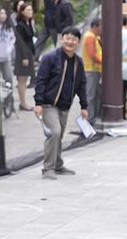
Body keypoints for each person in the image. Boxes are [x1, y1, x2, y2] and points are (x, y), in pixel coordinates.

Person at [32, 26, 89, 179]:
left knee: (59, 135)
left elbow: (81, 84)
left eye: (74, 39)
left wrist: (84, 106)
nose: (70, 42)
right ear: (61, 39)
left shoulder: (78, 62)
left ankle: (57, 165)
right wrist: (38, 103)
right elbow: (40, 81)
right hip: (48, 104)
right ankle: (48, 169)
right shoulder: (50, 58)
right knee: (54, 132)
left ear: (78, 42)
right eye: (67, 38)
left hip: (65, 105)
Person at [13, 1, 37, 109]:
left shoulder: (29, 23)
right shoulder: (20, 26)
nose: (30, 12)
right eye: (27, 10)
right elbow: (19, 42)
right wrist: (24, 57)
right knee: (22, 79)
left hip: (29, 53)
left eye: (31, 10)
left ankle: (24, 102)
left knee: (25, 78)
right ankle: (23, 103)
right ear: (22, 12)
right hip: (23, 55)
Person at [80, 16, 103, 115]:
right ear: (96, 26)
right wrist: (103, 62)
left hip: (95, 70)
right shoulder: (90, 36)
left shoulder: (95, 36)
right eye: (101, 27)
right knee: (91, 95)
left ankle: (94, 115)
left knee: (95, 95)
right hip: (91, 69)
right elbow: (92, 55)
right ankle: (89, 117)